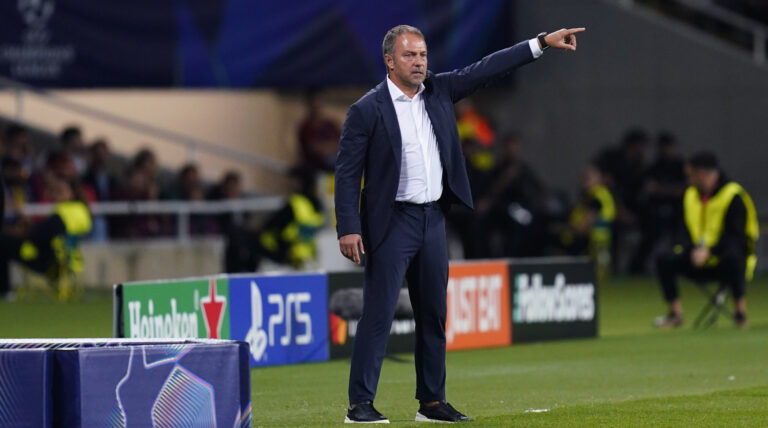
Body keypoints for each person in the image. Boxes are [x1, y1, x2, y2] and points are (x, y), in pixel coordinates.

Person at [335, 24, 585, 423]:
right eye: (409, 56)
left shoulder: (439, 90)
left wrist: (539, 44)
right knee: (378, 315)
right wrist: (348, 226)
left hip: (433, 219)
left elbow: (486, 68)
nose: (419, 63)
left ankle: (432, 403)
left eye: (422, 55)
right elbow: (347, 173)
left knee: (434, 314)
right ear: (389, 61)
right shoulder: (366, 110)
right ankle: (359, 404)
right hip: (390, 223)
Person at [654, 152, 758, 328]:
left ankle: (740, 313)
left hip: (723, 261)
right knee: (664, 258)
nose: (688, 179)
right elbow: (681, 231)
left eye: (690, 175)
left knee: (735, 256)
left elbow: (736, 236)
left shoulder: (733, 196)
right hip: (697, 259)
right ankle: (675, 314)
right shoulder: (690, 195)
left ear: (701, 174)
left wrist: (709, 251)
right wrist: (690, 250)